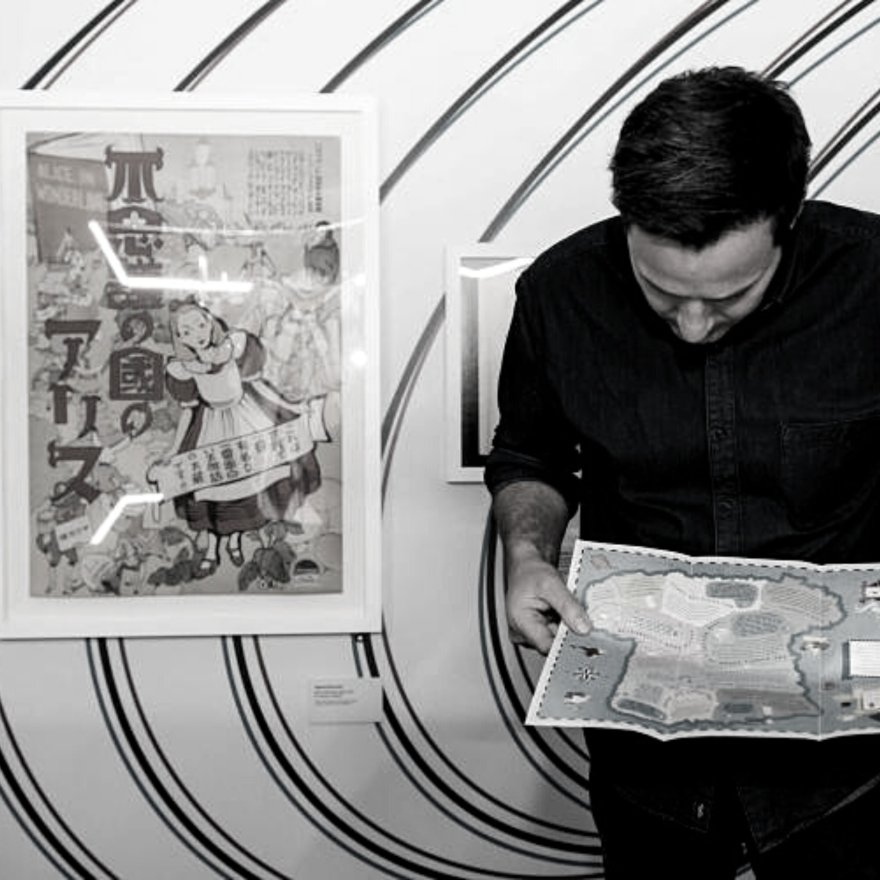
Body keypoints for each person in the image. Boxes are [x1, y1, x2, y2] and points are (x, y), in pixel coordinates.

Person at [485, 66, 880, 878]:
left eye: (730, 297)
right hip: (650, 747)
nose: (695, 324)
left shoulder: (873, 280)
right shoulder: (561, 294)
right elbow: (532, 454)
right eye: (662, 294)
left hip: (849, 759)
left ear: (789, 221)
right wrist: (528, 555)